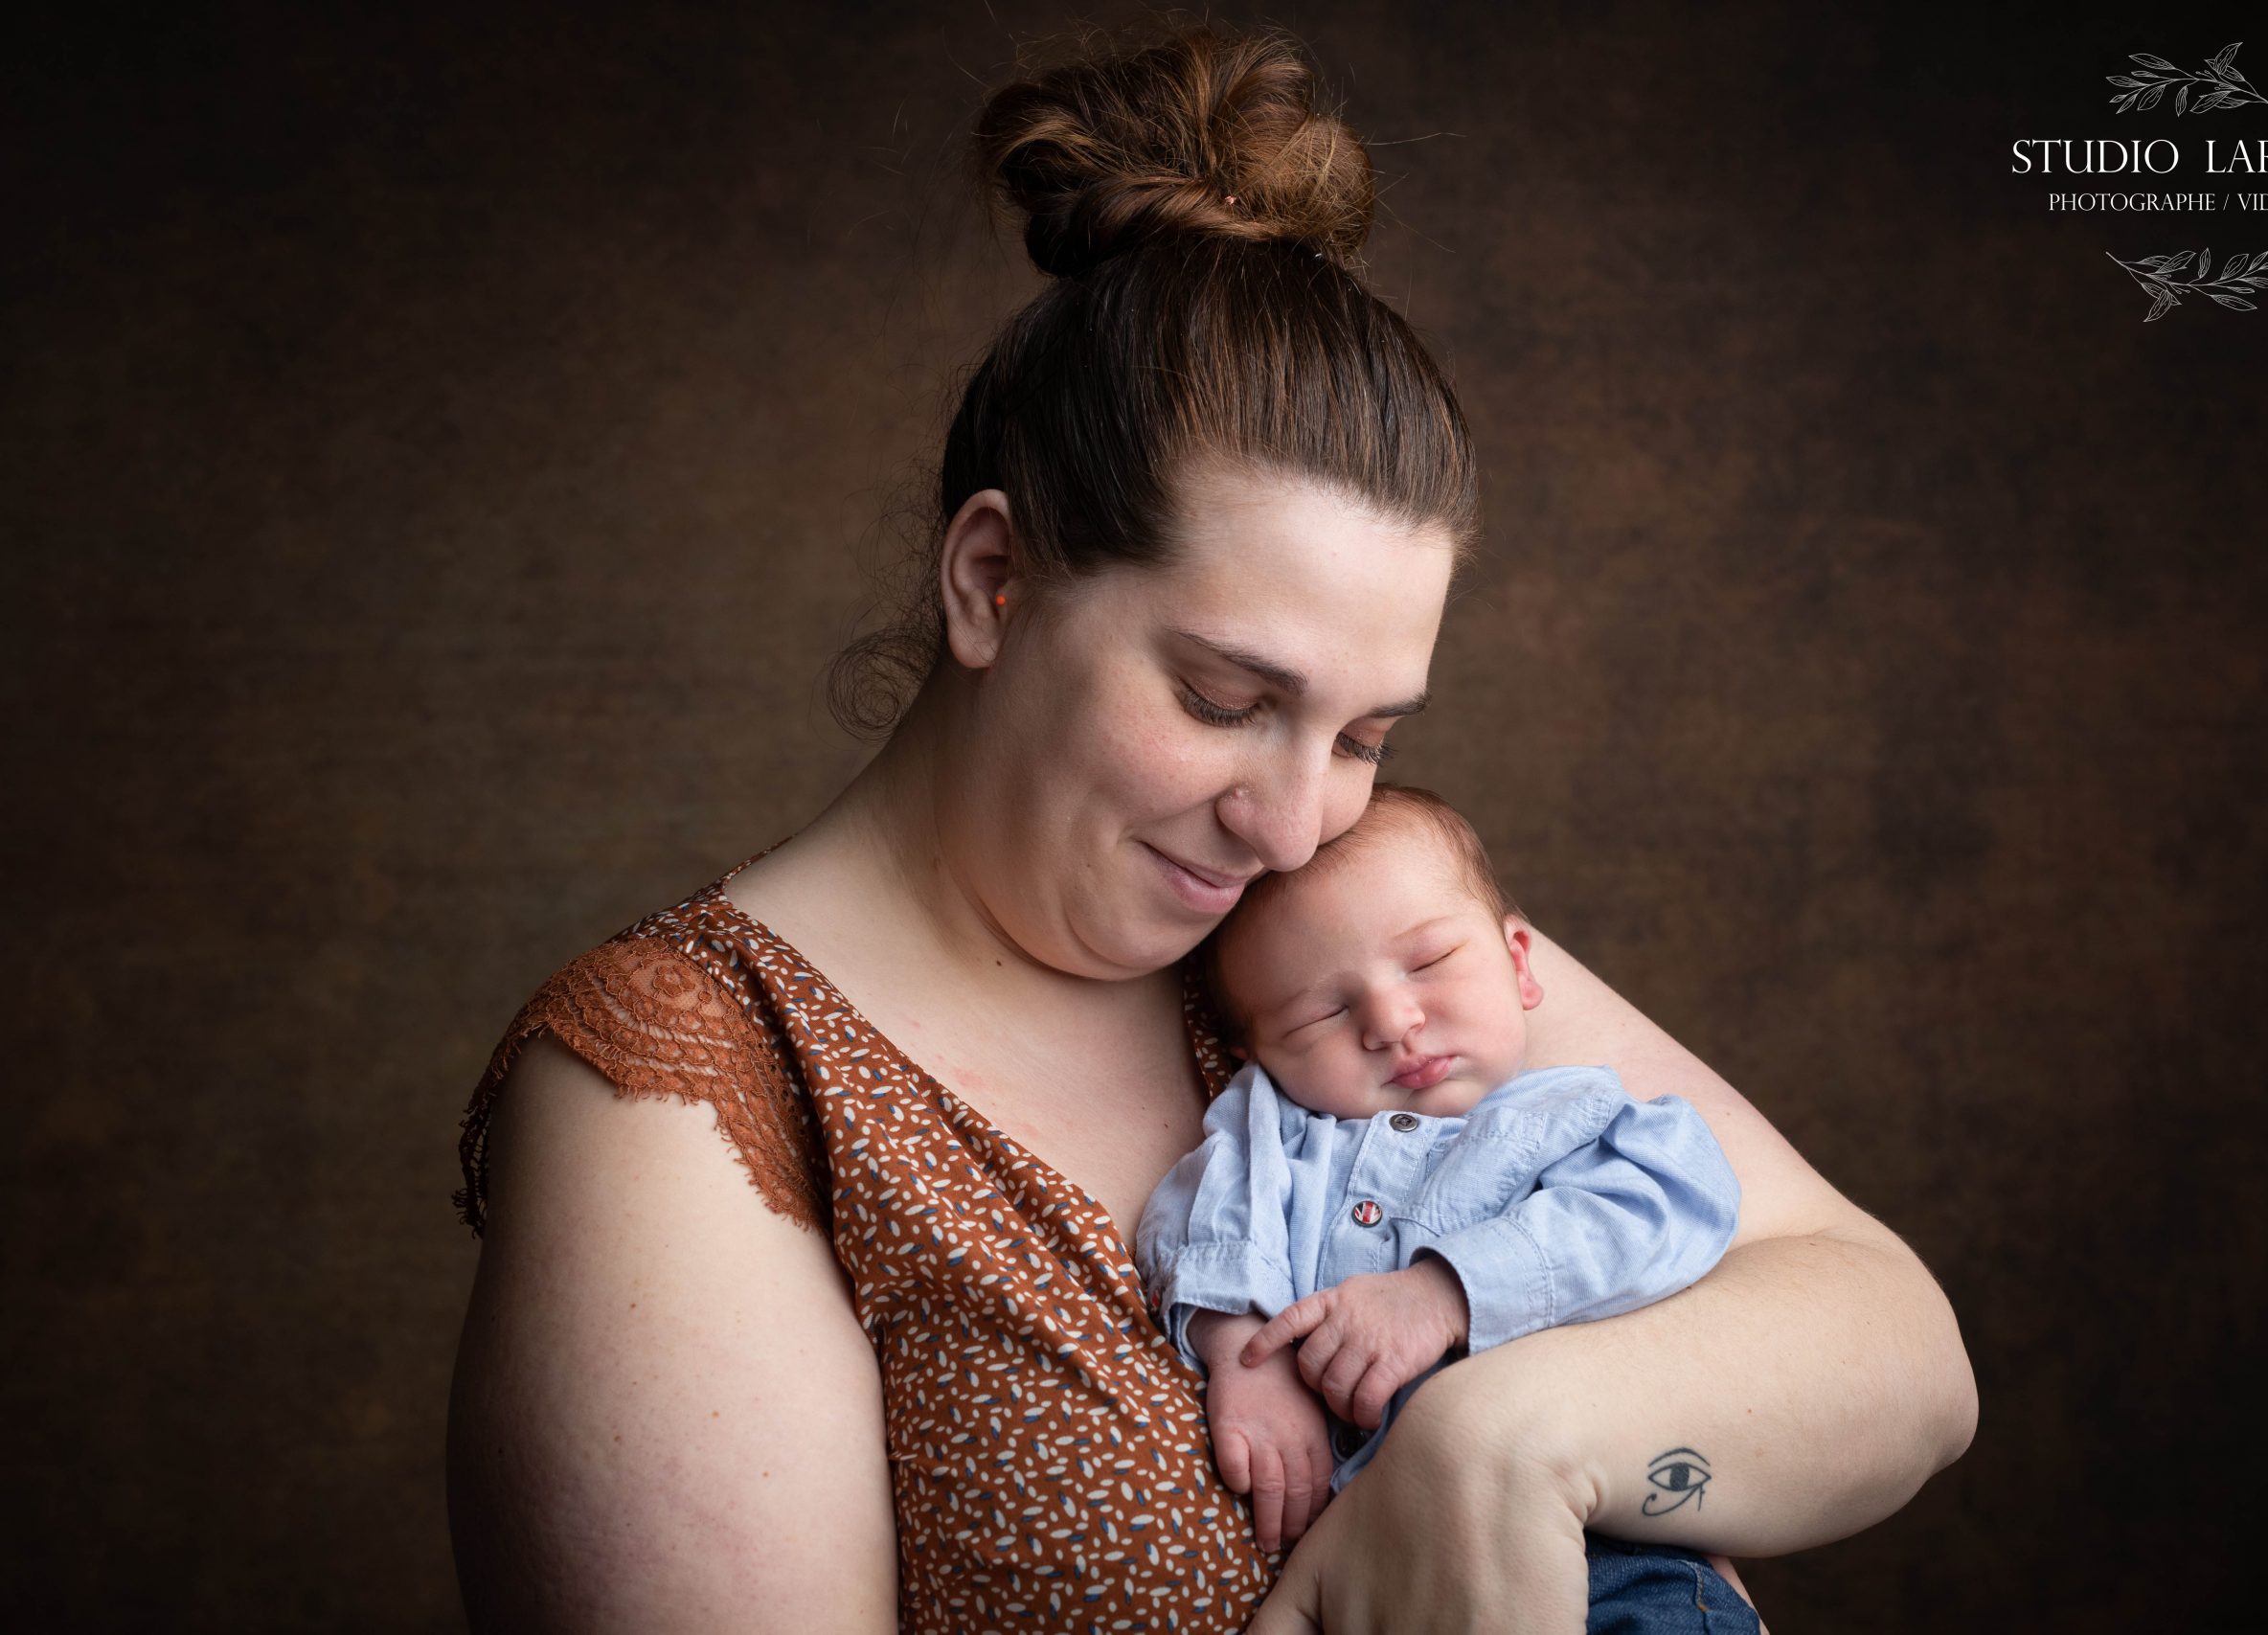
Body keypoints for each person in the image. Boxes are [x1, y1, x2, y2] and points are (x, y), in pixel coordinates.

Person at [443, 20, 1976, 1634]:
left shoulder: (1325, 933)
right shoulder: (682, 1090)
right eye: (1230, 697)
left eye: (1367, 734)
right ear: (995, 580)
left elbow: (1901, 1354)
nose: (1293, 814)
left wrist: (1505, 1437)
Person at [1136, 783, 1760, 1634]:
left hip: (1606, 1560)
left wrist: (1448, 1291)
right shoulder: (1276, 1135)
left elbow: (1672, 1203)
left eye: (1428, 963)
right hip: (1376, 1572)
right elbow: (1196, 1218)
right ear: (1258, 1054)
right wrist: (1246, 1352)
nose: (1393, 1021)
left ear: (1520, 961)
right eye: (1323, 1010)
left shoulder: (1579, 1118)